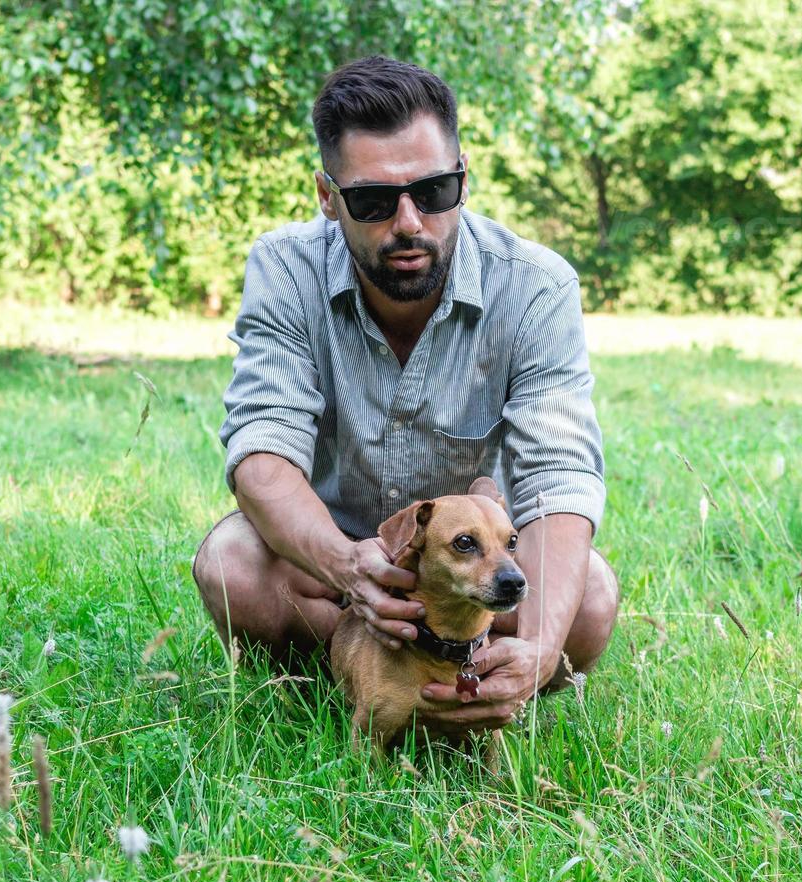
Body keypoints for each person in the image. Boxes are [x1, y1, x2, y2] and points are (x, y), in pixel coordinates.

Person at [193, 56, 618, 735]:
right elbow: (261, 454)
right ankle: (338, 689)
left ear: (463, 179)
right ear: (327, 198)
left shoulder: (536, 287)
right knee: (231, 563)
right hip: (330, 573)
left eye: (434, 190)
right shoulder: (284, 268)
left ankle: (485, 685)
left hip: (471, 581)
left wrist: (539, 643)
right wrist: (345, 566)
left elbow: (559, 477)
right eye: (372, 201)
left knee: (589, 597)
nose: (410, 222)